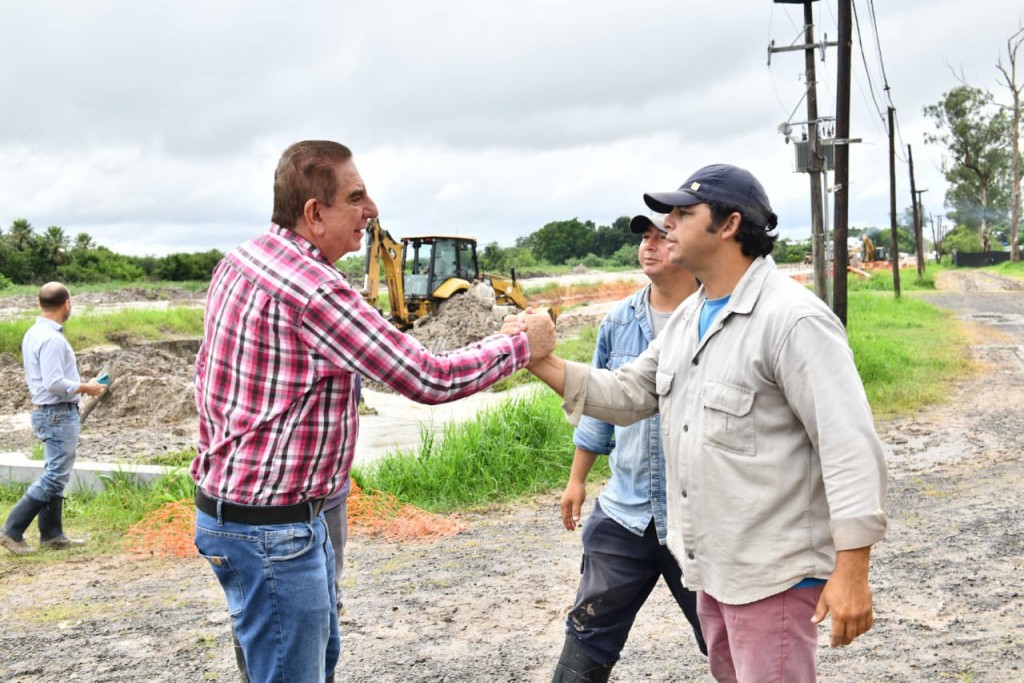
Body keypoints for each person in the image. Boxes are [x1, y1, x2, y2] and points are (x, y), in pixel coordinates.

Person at [191, 139, 556, 683]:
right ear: (315, 213)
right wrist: (524, 346)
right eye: (356, 197)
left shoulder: (242, 260)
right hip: (275, 532)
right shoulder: (316, 292)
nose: (373, 210)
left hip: (239, 513)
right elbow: (428, 377)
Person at [521, 164, 888, 682]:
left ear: (729, 225)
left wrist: (852, 570)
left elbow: (849, 446)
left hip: (770, 573)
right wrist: (539, 360)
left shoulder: (792, 320)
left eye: (682, 213)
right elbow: (628, 394)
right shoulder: (693, 315)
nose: (667, 224)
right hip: (711, 568)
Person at [552, 214, 705, 682]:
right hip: (627, 509)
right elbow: (601, 404)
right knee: (587, 633)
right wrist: (577, 480)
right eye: (645, 238)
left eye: (662, 237)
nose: (650, 246)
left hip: (700, 515)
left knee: (731, 640)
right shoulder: (619, 320)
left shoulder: (717, 315)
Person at [0, 282, 106, 555]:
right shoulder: (52, 339)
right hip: (57, 413)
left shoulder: (34, 333)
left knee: (54, 471)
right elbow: (54, 383)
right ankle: (11, 531)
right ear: (67, 304)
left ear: (40, 303)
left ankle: (52, 535)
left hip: (48, 412)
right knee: (55, 475)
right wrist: (87, 387)